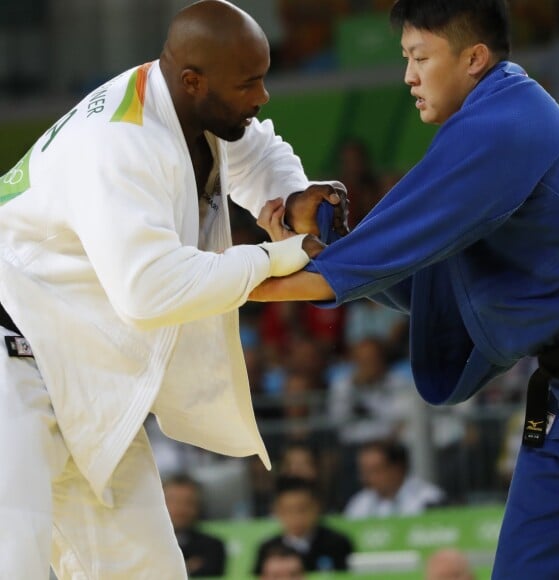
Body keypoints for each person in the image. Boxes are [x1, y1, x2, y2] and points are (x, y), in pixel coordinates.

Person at [0, 1, 348, 577]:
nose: (262, 96)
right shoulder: (117, 145)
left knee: (151, 569)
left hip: (75, 369)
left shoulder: (189, 106)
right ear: (194, 80)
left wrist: (291, 195)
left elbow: (255, 148)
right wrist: (272, 256)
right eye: (249, 83)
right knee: (18, 557)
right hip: (11, 355)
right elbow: (149, 291)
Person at [251, 0, 559, 577]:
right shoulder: (493, 124)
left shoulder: (504, 125)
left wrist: (224, 282)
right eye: (406, 58)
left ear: (474, 58)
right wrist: (324, 248)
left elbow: (381, 259)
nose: (408, 76)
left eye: (420, 57)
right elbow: (420, 276)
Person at [253, 476, 353, 574]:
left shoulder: (338, 544)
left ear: (317, 507)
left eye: (302, 509)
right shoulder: (267, 549)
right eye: (288, 510)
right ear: (277, 511)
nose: (296, 517)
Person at [344, 440, 445, 518]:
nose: (366, 478)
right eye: (364, 471)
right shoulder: (359, 502)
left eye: (374, 471)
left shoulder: (428, 498)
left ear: (397, 469)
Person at [163, 474, 226, 577]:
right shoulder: (141, 544)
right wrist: (187, 568)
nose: (181, 509)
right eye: (174, 501)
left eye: (188, 502)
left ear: (198, 507)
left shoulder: (213, 546)